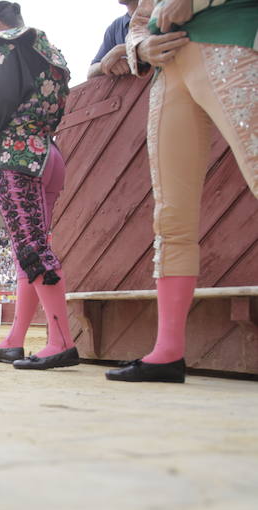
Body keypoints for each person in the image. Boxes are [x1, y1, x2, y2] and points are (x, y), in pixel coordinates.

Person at [105, 0, 257, 383]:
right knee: (171, 217)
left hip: (230, 39)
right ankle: (168, 350)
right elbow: (141, 18)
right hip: (168, 72)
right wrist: (139, 47)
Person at [0, 1, 80, 370]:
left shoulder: (4, 47)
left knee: (31, 250)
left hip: (19, 156)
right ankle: (15, 339)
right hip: (49, 151)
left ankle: (61, 342)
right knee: (27, 250)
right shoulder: (50, 50)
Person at [88, 1, 140, 79]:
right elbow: (90, 72)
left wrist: (121, 50)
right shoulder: (115, 27)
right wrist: (107, 64)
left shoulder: (161, 12)